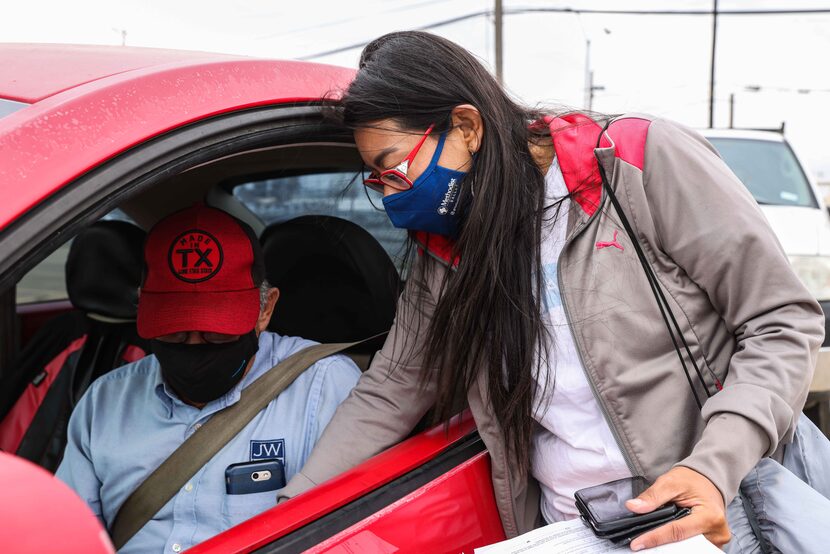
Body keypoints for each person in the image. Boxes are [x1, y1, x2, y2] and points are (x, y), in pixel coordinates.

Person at [277, 31, 824, 551]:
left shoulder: (635, 163)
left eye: (393, 167)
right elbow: (393, 389)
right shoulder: (446, 248)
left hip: (704, 512)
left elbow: (781, 321)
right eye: (376, 180)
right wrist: (287, 517)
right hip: (570, 527)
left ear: (467, 126)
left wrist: (713, 466)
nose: (392, 195)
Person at [56, 204, 361, 553]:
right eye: (174, 332)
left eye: (217, 333)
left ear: (264, 310)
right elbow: (67, 535)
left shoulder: (321, 388)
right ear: (142, 308)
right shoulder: (105, 402)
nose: (194, 346)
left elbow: (356, 530)